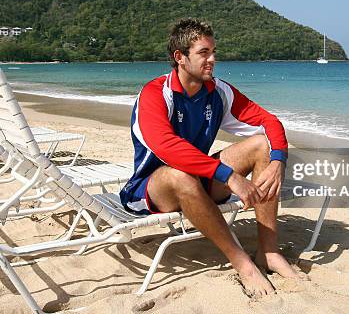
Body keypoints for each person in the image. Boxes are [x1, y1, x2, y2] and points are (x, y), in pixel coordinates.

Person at [120, 18, 302, 296]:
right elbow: (167, 147)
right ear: (179, 57)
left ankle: (269, 251)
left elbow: (269, 121)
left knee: (262, 146)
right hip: (150, 190)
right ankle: (243, 264)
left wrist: (278, 160)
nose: (212, 59)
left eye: (213, 52)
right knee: (178, 174)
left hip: (200, 181)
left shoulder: (217, 91)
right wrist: (230, 177)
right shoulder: (156, 94)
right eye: (204, 53)